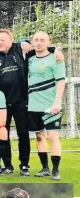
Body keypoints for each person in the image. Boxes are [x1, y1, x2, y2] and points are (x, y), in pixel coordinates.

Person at [0, 29, 63, 176]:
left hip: (22, 102)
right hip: (2, 105)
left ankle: (24, 165)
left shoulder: (22, 50)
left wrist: (54, 49)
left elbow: (41, 48)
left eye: (3, 40)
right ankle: (7, 165)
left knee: (23, 135)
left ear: (11, 40)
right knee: (3, 134)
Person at [27, 31, 66, 181]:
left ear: (48, 42)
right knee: (39, 136)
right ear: (32, 42)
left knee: (53, 137)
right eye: (36, 40)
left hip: (51, 105)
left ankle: (55, 170)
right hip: (33, 105)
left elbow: (61, 82)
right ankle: (45, 168)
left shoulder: (56, 58)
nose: (39, 42)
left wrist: (57, 102)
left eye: (42, 40)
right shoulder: (29, 59)